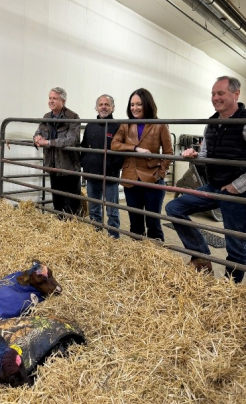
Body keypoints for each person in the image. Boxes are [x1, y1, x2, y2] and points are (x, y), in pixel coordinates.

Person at [166, 76, 246, 282]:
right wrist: (193, 155)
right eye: (213, 93)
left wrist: (238, 186)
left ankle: (230, 289)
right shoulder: (211, 124)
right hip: (214, 186)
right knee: (174, 208)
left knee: (235, 244)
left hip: (236, 192)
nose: (215, 98)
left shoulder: (244, 122)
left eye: (221, 93)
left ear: (236, 94)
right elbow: (205, 156)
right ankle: (201, 256)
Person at [111, 88, 173, 241]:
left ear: (147, 104)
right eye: (132, 105)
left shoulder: (159, 125)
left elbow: (168, 152)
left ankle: (157, 256)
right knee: (135, 222)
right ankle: (138, 256)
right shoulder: (126, 125)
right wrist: (135, 148)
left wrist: (161, 173)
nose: (135, 108)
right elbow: (114, 144)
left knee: (153, 223)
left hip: (153, 179)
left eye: (139, 104)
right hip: (130, 179)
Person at [81, 94, 124, 239]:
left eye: (107, 104)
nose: (103, 107)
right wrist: (84, 164)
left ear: (113, 107)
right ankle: (96, 237)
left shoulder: (118, 126)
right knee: (94, 208)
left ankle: (113, 238)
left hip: (110, 175)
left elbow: (121, 151)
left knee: (112, 210)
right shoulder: (90, 126)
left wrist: (114, 166)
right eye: (101, 104)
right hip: (92, 174)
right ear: (96, 107)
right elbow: (83, 146)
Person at [34, 87, 81, 216]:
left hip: (68, 166)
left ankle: (73, 229)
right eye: (50, 98)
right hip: (52, 165)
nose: (51, 101)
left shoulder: (73, 117)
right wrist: (36, 138)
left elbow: (71, 140)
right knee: (58, 200)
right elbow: (38, 131)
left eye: (55, 98)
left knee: (72, 201)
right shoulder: (46, 117)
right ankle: (60, 227)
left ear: (63, 101)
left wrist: (49, 142)